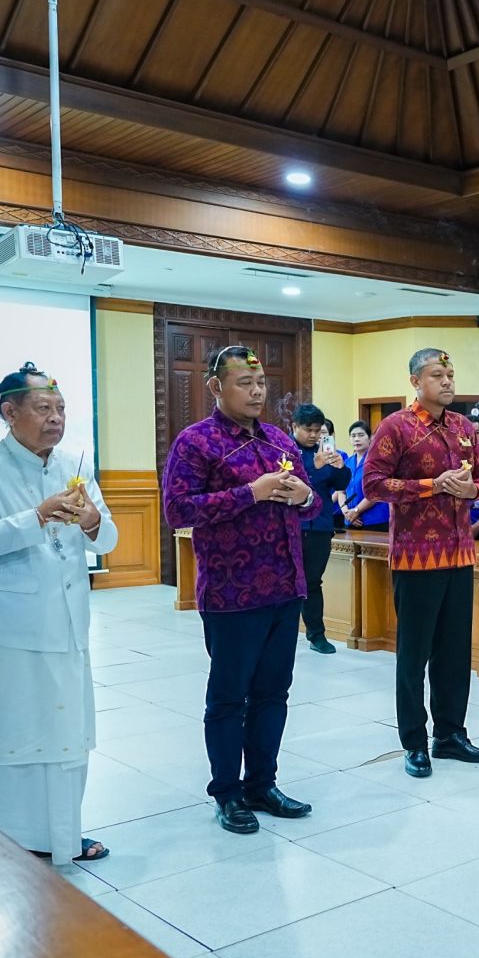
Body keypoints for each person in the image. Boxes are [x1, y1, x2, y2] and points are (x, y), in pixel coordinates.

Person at [0, 362, 118, 864]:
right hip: (6, 629)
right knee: (15, 734)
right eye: (43, 408)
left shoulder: (75, 464)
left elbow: (106, 539)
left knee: (66, 735)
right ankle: (8, 838)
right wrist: (37, 516)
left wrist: (91, 519)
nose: (56, 418)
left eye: (61, 408)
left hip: (67, 625)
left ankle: (62, 836)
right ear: (9, 412)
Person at [162, 345, 320, 834]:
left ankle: (262, 784)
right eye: (244, 383)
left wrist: (305, 496)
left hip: (286, 587)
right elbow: (178, 510)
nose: (256, 392)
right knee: (230, 698)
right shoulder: (197, 442)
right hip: (232, 593)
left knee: (273, 694)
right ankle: (228, 793)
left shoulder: (279, 441)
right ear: (216, 387)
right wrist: (251, 492)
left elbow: (312, 506)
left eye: (261, 384)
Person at [361, 349, 479, 779]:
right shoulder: (396, 426)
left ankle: (451, 734)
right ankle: (414, 742)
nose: (447, 381)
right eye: (437, 375)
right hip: (416, 557)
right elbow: (373, 484)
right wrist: (431, 485)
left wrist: (471, 492)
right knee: (413, 655)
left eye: (450, 374)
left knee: (455, 652)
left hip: (460, 554)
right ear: (416, 381)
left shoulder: (464, 427)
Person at [292, 405, 350, 654]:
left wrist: (340, 467)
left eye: (318, 430)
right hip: (292, 526)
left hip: (321, 525)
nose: (314, 435)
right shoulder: (285, 450)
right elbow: (290, 481)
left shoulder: (326, 451)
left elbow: (341, 483)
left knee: (313, 582)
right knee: (287, 582)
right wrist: (313, 466)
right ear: (294, 427)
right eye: (309, 430)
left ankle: (317, 635)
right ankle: (283, 633)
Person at [339, 419, 389, 531]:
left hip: (374, 520)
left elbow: (377, 491)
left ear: (370, 438)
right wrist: (346, 512)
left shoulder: (377, 462)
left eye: (361, 435)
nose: (356, 439)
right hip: (351, 520)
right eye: (353, 436)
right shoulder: (347, 462)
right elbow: (341, 491)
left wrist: (356, 510)